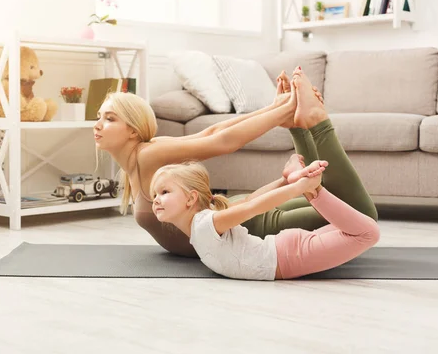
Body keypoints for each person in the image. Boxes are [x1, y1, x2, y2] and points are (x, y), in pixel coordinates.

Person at [93, 67, 377, 257]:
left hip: (246, 225)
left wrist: (281, 109)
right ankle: (299, 125)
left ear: (132, 129)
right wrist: (277, 109)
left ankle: (314, 123)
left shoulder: (147, 154)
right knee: (347, 207)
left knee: (361, 215)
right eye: (99, 117)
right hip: (237, 211)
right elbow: (212, 132)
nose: (98, 125)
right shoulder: (138, 160)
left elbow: (219, 140)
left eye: (109, 118)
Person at [148, 159, 380, 280]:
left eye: (164, 192)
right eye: (154, 195)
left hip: (290, 257)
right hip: (286, 251)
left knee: (368, 233)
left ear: (190, 199)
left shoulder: (204, 224)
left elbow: (252, 206)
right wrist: (285, 181)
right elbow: (250, 199)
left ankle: (314, 190)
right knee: (358, 229)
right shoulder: (203, 224)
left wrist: (301, 186)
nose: (156, 199)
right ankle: (309, 187)